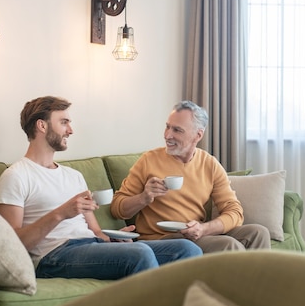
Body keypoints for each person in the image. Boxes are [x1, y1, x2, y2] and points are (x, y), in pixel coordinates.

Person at [0, 96, 202, 280]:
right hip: (52, 257)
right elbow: (12, 246)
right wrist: (60, 214)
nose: (71, 130)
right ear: (42, 126)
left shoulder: (73, 176)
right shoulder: (16, 176)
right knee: (140, 254)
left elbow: (94, 231)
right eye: (64, 122)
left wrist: (112, 239)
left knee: (186, 249)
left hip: (90, 245)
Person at [111, 100, 271, 253]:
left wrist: (204, 229)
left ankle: (257, 282)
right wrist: (143, 198)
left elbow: (235, 212)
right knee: (227, 245)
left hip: (195, 234)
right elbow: (117, 208)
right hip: (161, 240)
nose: (167, 135)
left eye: (177, 130)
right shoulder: (148, 160)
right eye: (167, 127)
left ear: (198, 135)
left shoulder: (210, 164)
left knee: (258, 233)